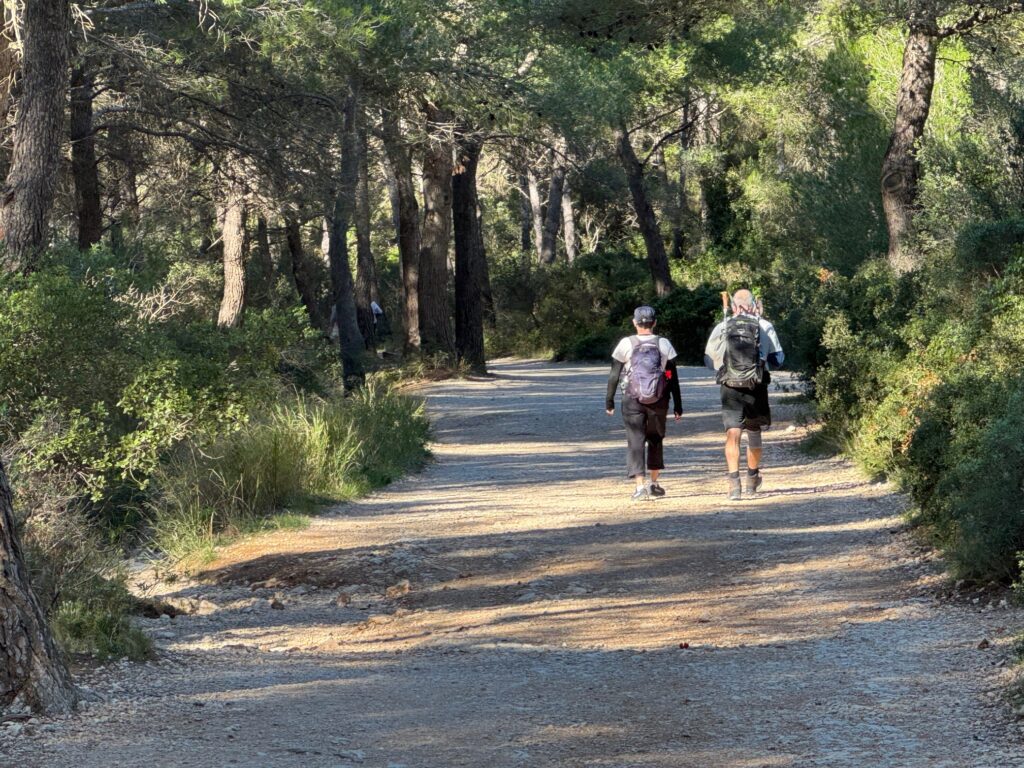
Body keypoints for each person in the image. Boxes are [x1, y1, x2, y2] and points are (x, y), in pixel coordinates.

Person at [704, 289, 784, 500]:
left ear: (733, 306)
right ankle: (752, 479)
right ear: (753, 305)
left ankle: (734, 485)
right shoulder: (764, 325)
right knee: (754, 433)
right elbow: (778, 360)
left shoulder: (723, 326)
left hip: (730, 386)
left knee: (733, 434)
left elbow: (709, 361)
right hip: (755, 386)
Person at [606, 306, 683, 501]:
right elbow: (672, 377)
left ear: (635, 322)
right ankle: (654, 483)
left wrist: (609, 400)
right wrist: (678, 405)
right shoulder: (663, 343)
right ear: (654, 323)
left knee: (635, 441)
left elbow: (614, 374)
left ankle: (639, 487)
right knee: (656, 439)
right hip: (659, 399)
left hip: (632, 399)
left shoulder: (626, 343)